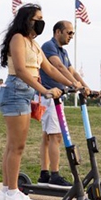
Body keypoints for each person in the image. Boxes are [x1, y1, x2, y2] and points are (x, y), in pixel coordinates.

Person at [0, 4, 78, 200]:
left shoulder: (34, 44)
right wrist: (44, 91)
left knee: (13, 145)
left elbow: (49, 68)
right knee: (17, 146)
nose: (41, 22)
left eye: (42, 18)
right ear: (27, 19)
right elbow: (22, 70)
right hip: (15, 91)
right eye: (37, 18)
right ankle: (13, 192)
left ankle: (6, 191)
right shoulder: (17, 38)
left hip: (24, 93)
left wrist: (72, 84)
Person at [38, 21, 88, 186]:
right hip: (49, 96)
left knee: (47, 137)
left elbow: (72, 71)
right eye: (69, 32)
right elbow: (57, 66)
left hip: (56, 97)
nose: (71, 36)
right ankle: (54, 175)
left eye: (73, 33)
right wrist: (74, 84)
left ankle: (44, 174)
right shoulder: (49, 46)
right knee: (56, 136)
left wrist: (86, 87)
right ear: (58, 32)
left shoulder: (63, 51)